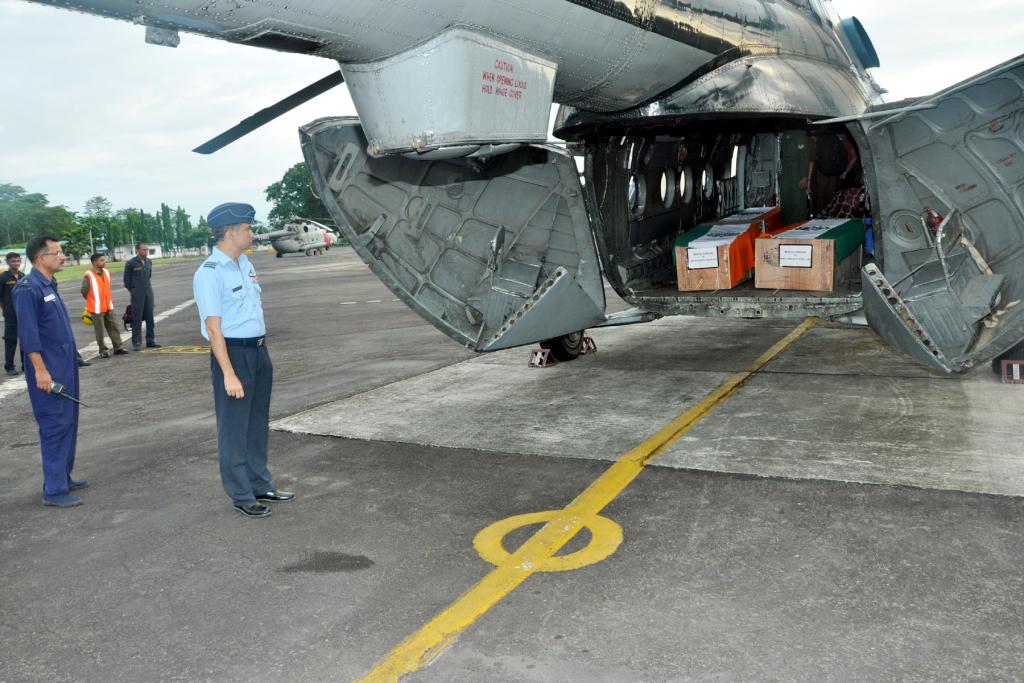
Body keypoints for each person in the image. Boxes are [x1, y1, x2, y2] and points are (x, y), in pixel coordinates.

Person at [193, 202, 294, 517]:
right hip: (233, 353)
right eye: (248, 229)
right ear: (231, 231)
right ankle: (240, 493)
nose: (252, 233)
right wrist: (228, 373)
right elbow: (213, 327)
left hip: (259, 350)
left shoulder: (245, 265)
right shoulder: (209, 273)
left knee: (256, 423)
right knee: (235, 426)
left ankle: (260, 483)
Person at [13, 236, 88, 507]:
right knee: (54, 425)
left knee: (68, 421)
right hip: (48, 371)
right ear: (40, 258)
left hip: (65, 367)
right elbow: (29, 335)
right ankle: (54, 491)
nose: (63, 256)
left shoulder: (48, 284)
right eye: (57, 253)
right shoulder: (27, 288)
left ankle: (63, 477)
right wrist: (40, 371)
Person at [80, 253, 128, 358]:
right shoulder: (89, 275)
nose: (104, 262)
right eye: (101, 260)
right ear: (95, 262)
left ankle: (118, 347)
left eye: (104, 260)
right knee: (100, 331)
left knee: (114, 327)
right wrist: (92, 301)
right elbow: (84, 291)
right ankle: (103, 350)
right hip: (96, 308)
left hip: (108, 306)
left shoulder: (106, 272)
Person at [123, 242, 160, 350]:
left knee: (150, 318)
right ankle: (137, 342)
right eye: (144, 250)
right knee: (137, 318)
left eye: (147, 250)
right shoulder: (131, 263)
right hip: (137, 293)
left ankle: (150, 341)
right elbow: (126, 281)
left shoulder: (149, 262)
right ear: (137, 250)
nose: (146, 251)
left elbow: (148, 276)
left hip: (148, 292)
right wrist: (134, 292)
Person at [2, 252, 26, 376]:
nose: (16, 263)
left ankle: (25, 364)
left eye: (18, 261)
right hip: (10, 314)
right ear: (7, 262)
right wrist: (6, 309)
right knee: (10, 340)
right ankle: (9, 366)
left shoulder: (23, 276)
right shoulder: (3, 277)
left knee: (25, 339)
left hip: (24, 313)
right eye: (13, 261)